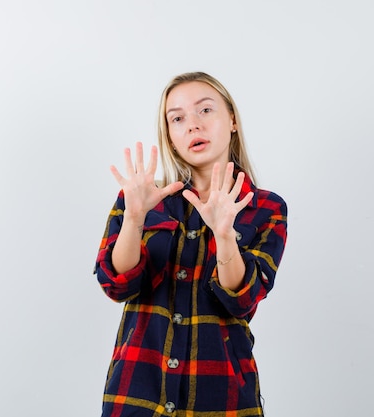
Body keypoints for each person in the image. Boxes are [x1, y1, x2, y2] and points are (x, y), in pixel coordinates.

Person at [94, 72, 288, 416]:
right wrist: (135, 219)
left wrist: (225, 235)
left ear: (231, 120)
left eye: (205, 111)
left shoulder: (266, 208)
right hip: (137, 393)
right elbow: (116, 284)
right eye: (178, 118)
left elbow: (241, 299)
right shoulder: (141, 198)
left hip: (223, 398)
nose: (192, 126)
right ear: (169, 137)